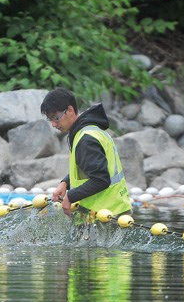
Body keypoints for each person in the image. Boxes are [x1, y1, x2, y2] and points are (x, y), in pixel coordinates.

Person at [40, 88, 132, 218]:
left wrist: (71, 196)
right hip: (108, 211)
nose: (54, 124)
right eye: (50, 120)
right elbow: (87, 167)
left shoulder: (86, 139)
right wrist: (66, 182)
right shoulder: (87, 131)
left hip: (108, 216)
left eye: (56, 118)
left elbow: (101, 179)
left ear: (70, 110)